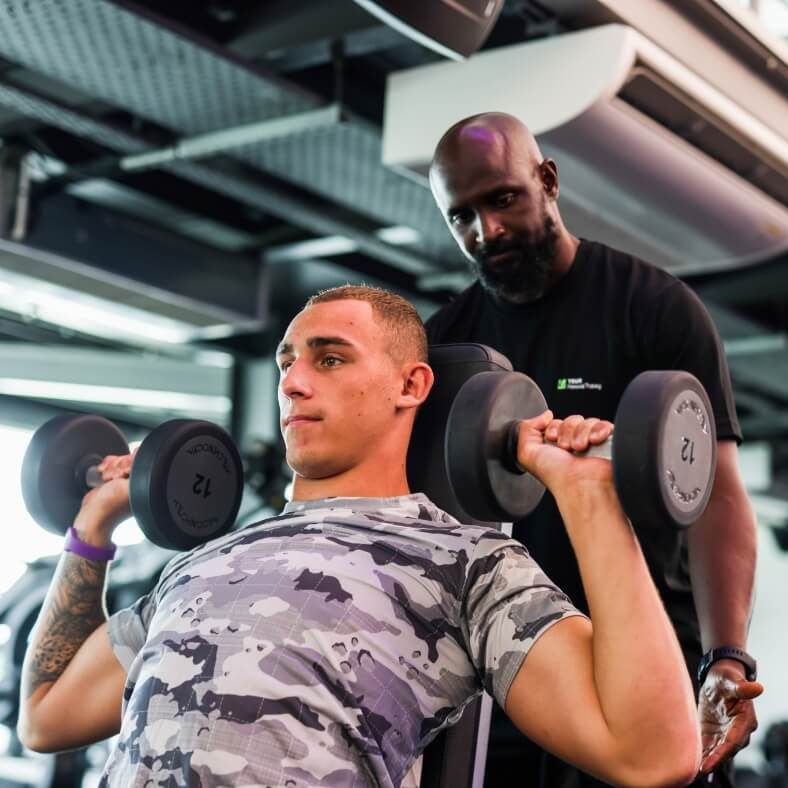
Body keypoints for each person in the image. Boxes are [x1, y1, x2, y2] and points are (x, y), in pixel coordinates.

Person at [17, 285, 703, 788]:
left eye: (330, 359)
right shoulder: (205, 560)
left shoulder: (464, 563)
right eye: (287, 362)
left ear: (412, 384)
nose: (292, 383)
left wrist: (586, 496)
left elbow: (651, 752)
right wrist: (92, 527)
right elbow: (45, 717)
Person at [425, 111, 763, 787]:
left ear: (548, 181)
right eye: (461, 215)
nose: (487, 231)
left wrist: (727, 657)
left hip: (648, 669)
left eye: (503, 199)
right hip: (508, 680)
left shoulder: (654, 308)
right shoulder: (447, 346)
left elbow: (717, 496)